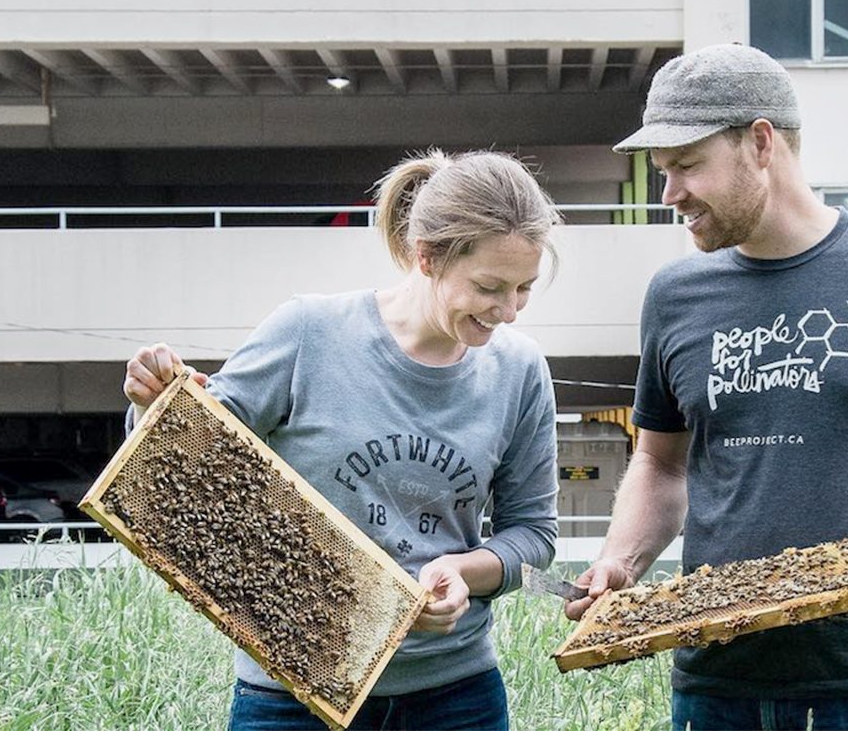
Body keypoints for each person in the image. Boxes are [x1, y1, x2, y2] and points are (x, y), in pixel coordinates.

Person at [565, 44, 848, 731]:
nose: (670, 196)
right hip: (717, 684)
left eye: (686, 166)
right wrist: (618, 562)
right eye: (663, 173)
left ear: (759, 143)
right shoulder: (673, 294)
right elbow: (661, 462)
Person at [124, 149, 562, 731]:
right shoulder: (308, 332)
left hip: (453, 697)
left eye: (524, 288)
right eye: (489, 286)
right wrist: (151, 402)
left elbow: (532, 535)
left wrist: (464, 569)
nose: (508, 310)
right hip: (290, 696)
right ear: (426, 257)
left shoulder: (521, 369)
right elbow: (180, 462)